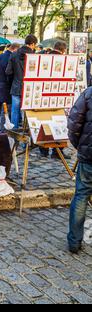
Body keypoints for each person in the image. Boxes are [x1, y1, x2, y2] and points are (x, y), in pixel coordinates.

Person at [67, 88, 92, 253]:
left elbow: (74, 123)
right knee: (81, 196)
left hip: (89, 156)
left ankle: (75, 242)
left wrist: (80, 147)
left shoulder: (89, 93)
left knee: (81, 195)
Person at [5, 35, 38, 129]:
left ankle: (14, 133)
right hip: (30, 88)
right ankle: (27, 132)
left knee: (15, 111)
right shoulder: (35, 56)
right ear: (32, 44)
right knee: (28, 112)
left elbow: (8, 71)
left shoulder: (14, 54)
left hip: (16, 86)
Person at [0, 44, 19, 132]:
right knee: (5, 110)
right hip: (7, 86)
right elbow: (9, 73)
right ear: (15, 49)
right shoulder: (11, 57)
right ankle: (2, 130)